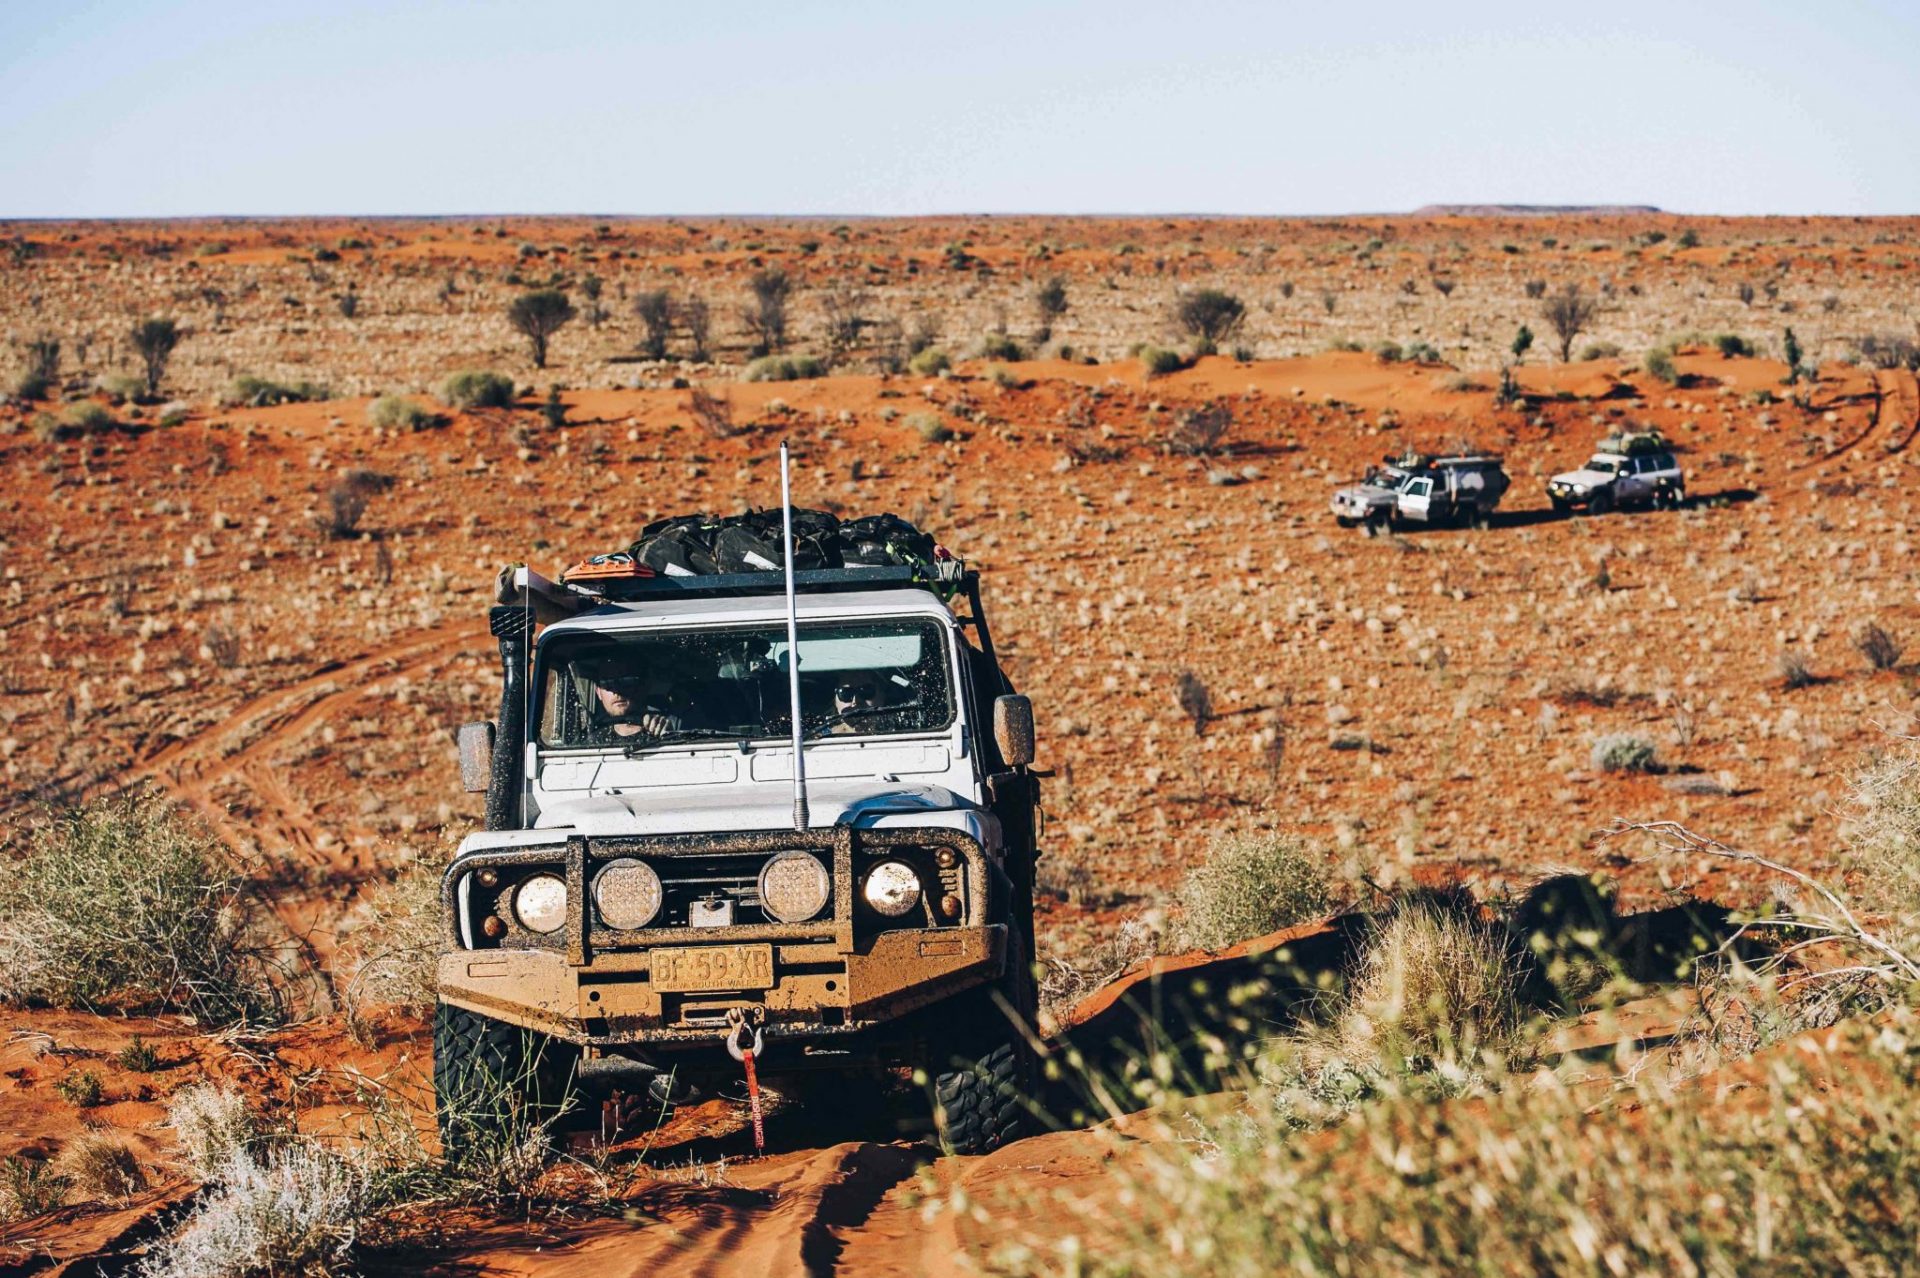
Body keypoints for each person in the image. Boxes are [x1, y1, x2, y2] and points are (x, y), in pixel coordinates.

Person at [590, 673, 683, 744]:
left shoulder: (670, 727)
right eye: (606, 683)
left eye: (626, 681)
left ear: (645, 685)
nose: (616, 691)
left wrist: (670, 738)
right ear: (598, 692)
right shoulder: (591, 742)